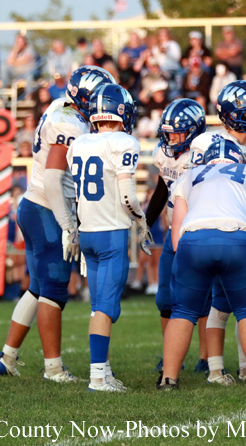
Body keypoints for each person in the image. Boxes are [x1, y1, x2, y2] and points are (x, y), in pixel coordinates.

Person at [0, 65, 114, 380]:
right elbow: (55, 179)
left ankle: (7, 358)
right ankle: (53, 368)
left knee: (38, 287)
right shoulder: (69, 124)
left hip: (33, 205)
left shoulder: (60, 107)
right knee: (54, 289)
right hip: (47, 208)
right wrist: (68, 224)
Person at [159, 138, 246, 389]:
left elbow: (176, 227)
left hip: (193, 240)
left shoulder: (188, 176)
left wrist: (182, 258)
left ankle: (168, 378)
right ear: (239, 159)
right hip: (238, 239)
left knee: (183, 311)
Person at [67, 83, 147, 392]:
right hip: (111, 233)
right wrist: (141, 220)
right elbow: (127, 195)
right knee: (106, 308)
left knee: (99, 306)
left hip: (87, 232)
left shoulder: (79, 142)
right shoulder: (124, 142)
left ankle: (104, 371)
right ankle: (98, 378)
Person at [143, 98, 206, 372]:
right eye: (167, 133)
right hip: (173, 232)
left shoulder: (204, 152)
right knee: (164, 297)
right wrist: (146, 222)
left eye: (177, 133)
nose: (171, 139)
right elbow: (162, 188)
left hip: (198, 232)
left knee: (203, 297)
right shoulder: (164, 153)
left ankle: (207, 358)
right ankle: (171, 356)